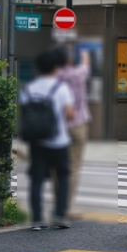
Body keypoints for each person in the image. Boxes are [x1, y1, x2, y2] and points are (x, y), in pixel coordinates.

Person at [22, 48, 75, 230]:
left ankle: (37, 219)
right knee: (63, 176)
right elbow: (69, 114)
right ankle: (59, 215)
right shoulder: (61, 88)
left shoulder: (28, 88)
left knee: (37, 179)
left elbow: (25, 112)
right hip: (59, 141)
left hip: (36, 141)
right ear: (55, 67)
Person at [56, 45, 92, 210]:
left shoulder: (55, 76)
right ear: (70, 60)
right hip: (78, 124)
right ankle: (64, 206)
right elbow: (86, 66)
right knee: (74, 166)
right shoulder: (78, 74)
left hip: (59, 125)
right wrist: (84, 54)